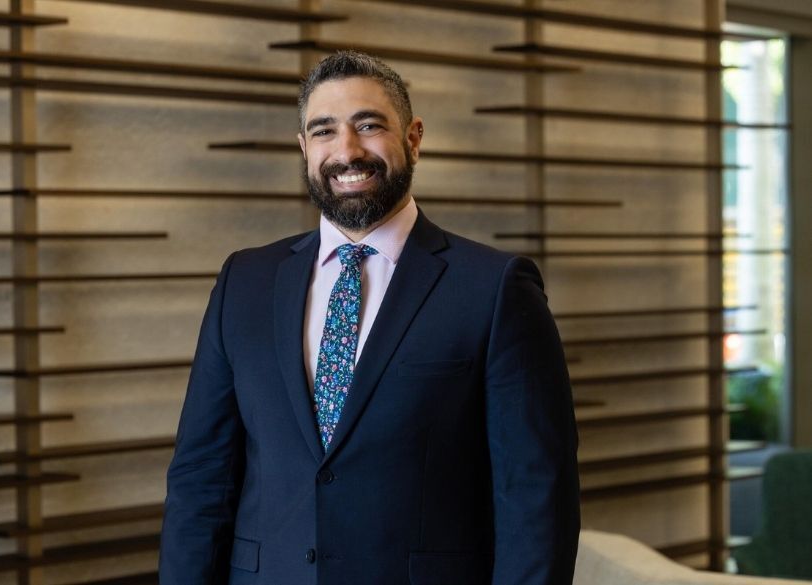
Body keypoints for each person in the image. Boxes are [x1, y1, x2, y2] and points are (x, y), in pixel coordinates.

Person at [159, 50, 579, 585]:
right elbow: (201, 477)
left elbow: (536, 494)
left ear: (414, 138)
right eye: (324, 131)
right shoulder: (245, 281)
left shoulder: (494, 288)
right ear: (304, 148)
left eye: (369, 125)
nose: (347, 151)